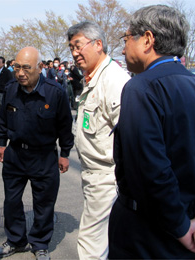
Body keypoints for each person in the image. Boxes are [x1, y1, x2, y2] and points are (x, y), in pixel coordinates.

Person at [108, 5, 195, 259]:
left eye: (126, 39)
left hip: (148, 232)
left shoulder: (141, 88)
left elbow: (151, 170)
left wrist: (180, 228)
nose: (123, 49)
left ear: (147, 39)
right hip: (192, 226)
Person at [0, 47, 74, 260]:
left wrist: (65, 153)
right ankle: (15, 240)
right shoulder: (11, 89)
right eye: (17, 67)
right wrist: (2, 142)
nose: (20, 73)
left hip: (44, 156)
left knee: (44, 203)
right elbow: (2, 119)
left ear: (40, 68)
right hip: (15, 155)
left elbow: (65, 126)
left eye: (26, 68)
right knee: (11, 201)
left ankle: (40, 243)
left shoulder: (55, 92)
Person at [67, 21, 130, 260]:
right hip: (95, 175)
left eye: (78, 45)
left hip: (107, 176)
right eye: (71, 47)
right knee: (104, 239)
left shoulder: (113, 80)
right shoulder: (93, 77)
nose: (74, 53)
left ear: (98, 44)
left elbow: (128, 134)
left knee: (91, 244)